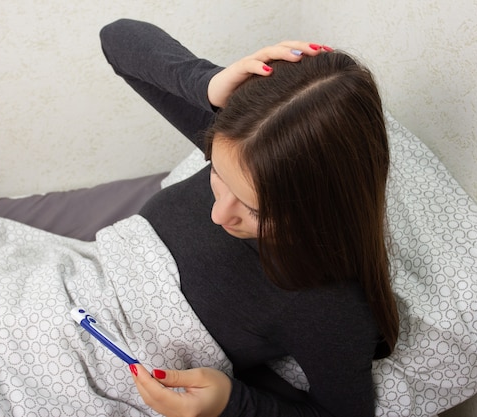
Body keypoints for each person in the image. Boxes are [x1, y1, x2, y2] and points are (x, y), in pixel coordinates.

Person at [99, 18, 399, 417]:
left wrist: (231, 402)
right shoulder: (244, 150)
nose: (218, 213)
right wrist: (207, 83)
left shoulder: (327, 306)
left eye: (255, 210)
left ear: (321, 210)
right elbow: (116, 39)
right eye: (216, 175)